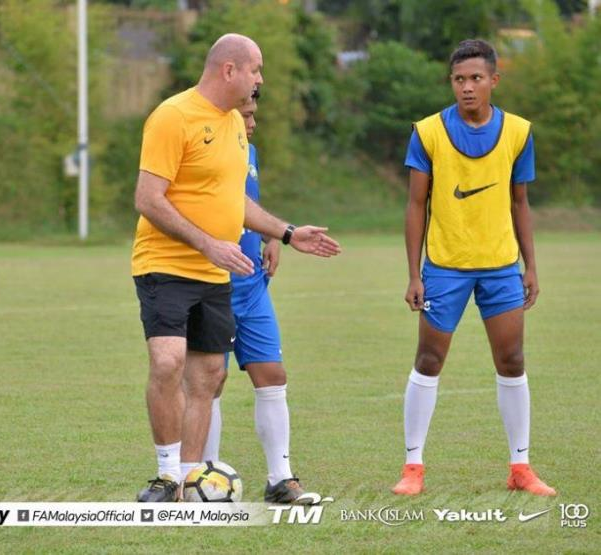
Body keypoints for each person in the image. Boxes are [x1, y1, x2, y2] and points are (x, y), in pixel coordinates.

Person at [132, 33, 341, 502]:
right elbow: (148, 198)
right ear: (229, 70)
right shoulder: (173, 116)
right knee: (167, 362)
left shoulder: (233, 125)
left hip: (215, 274)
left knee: (208, 377)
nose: (260, 79)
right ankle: (165, 476)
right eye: (256, 69)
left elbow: (235, 200)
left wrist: (286, 232)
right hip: (165, 265)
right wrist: (208, 244)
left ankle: (189, 478)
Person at [392, 39, 555, 496]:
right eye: (459, 79)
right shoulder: (427, 133)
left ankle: (520, 468)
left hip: (502, 267)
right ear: (452, 82)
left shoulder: (519, 132)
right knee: (429, 360)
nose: (467, 87)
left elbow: (520, 202)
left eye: (476, 79)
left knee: (512, 360)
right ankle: (413, 469)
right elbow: (414, 204)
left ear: (493, 81)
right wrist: (414, 273)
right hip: (445, 266)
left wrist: (531, 265)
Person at [200, 90, 311, 504]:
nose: (252, 123)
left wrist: (271, 234)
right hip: (212, 284)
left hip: (252, 286)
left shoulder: (251, 152)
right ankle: (205, 476)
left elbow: (246, 203)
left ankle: (280, 479)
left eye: (254, 115)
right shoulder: (207, 154)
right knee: (211, 380)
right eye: (246, 115)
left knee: (272, 374)